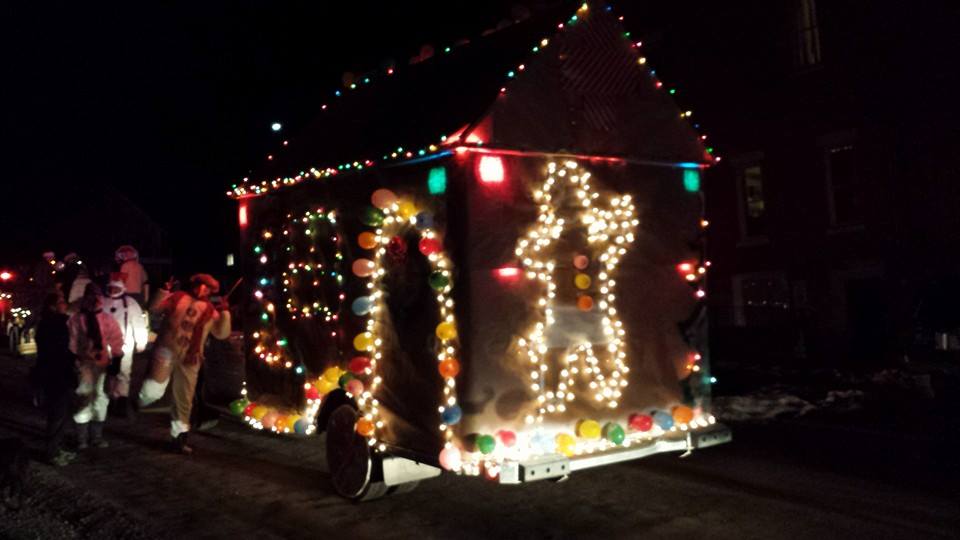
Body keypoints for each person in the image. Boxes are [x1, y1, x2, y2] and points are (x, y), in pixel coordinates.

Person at [138, 274, 230, 454]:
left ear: (211, 292)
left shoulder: (212, 311)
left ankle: (178, 437)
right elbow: (154, 308)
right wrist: (164, 291)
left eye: (207, 288)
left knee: (184, 398)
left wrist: (225, 313)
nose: (202, 290)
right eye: (200, 285)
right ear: (194, 285)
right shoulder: (177, 297)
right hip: (167, 349)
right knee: (153, 388)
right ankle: (136, 402)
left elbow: (222, 334)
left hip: (191, 357)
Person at [68, 283, 124, 450]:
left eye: (97, 296)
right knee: (84, 398)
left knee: (101, 398)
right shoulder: (77, 319)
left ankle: (96, 436)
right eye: (91, 296)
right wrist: (74, 360)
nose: (95, 300)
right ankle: (82, 438)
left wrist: (116, 359)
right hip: (83, 364)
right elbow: (71, 342)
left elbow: (116, 340)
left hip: (101, 364)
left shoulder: (107, 319)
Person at [33, 293, 77, 466]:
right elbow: (56, 350)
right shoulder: (54, 324)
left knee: (62, 413)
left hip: (58, 372)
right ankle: (51, 453)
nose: (65, 304)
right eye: (61, 302)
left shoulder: (55, 322)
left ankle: (56, 448)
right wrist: (73, 359)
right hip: (56, 374)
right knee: (57, 414)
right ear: (52, 306)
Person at [102, 273, 148, 417]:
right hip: (105, 346)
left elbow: (139, 324)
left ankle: (121, 401)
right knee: (108, 374)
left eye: (116, 288)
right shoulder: (103, 301)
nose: (113, 291)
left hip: (124, 345)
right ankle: (109, 399)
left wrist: (141, 342)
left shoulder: (130, 303)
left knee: (123, 373)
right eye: (111, 288)